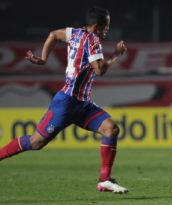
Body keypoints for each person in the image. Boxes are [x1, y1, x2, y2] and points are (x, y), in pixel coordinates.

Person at [0, 6, 128, 194]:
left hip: (82, 104)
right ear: (97, 25)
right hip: (66, 103)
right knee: (35, 142)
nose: (107, 29)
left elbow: (53, 35)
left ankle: (104, 180)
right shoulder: (93, 40)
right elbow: (99, 70)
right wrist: (116, 54)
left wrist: (44, 58)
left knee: (111, 128)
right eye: (106, 25)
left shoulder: (74, 33)